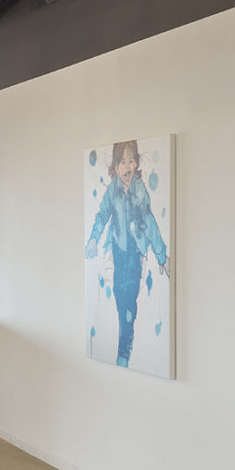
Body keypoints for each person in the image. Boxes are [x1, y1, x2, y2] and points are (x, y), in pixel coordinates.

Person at [85, 139, 170, 367]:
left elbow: (150, 222)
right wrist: (93, 238)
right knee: (120, 299)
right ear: (115, 166)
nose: (128, 167)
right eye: (123, 162)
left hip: (134, 253)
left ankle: (123, 354)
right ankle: (124, 348)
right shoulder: (112, 190)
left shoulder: (139, 190)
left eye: (131, 161)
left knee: (128, 304)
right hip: (118, 253)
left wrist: (161, 256)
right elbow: (102, 215)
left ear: (137, 164)